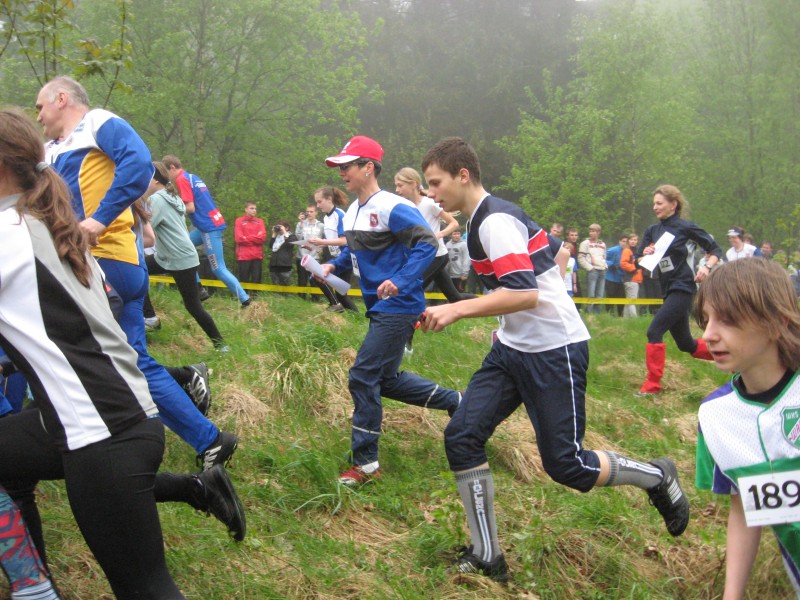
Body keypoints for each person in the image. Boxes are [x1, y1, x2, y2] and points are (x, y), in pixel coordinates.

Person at [0, 107, 245, 599]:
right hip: (111, 414)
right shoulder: (42, 219)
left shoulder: (8, 237)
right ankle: (36, 586)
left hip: (101, 433)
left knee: (145, 589)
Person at [420, 137, 689, 581]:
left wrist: (455, 309)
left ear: (462, 175)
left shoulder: (495, 221)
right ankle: (488, 556)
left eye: (436, 183)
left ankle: (657, 476)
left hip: (554, 350)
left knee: (568, 466)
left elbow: (524, 292)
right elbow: (536, 273)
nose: (432, 194)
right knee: (463, 436)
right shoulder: (477, 223)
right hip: (512, 350)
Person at [35, 77, 238, 479]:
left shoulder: (96, 122)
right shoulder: (50, 149)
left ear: (62, 99)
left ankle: (63, 448)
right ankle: (209, 438)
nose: (37, 114)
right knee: (134, 361)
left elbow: (138, 162)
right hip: (105, 262)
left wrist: (97, 220)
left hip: (103, 261)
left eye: (40, 105)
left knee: (58, 349)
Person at [320, 135, 461, 486]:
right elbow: (355, 251)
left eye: (347, 166)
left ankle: (366, 464)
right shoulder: (352, 210)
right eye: (339, 167)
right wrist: (333, 267)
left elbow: (427, 244)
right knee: (386, 380)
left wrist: (400, 279)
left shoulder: (392, 206)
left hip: (399, 305)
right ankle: (457, 401)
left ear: (368, 168)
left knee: (362, 375)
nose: (342, 173)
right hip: (378, 306)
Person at [694, 258, 800, 597]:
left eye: (727, 319)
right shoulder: (716, 417)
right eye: (706, 319)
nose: (708, 334)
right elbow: (744, 504)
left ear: (777, 321)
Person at [635, 184, 723, 394]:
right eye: (653, 204)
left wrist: (707, 267)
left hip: (683, 287)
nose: (655, 207)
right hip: (666, 288)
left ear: (673, 205)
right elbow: (639, 259)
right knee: (685, 343)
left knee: (654, 331)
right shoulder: (652, 231)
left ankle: (652, 386)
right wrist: (645, 253)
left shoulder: (684, 227)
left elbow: (715, 249)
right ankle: (732, 356)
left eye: (659, 203)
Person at [144, 163, 227, 350]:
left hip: (180, 259)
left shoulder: (156, 200)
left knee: (193, 306)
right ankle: (150, 318)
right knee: (137, 270)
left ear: (155, 179)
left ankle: (221, 345)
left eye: (146, 177)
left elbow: (147, 231)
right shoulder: (171, 196)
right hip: (168, 257)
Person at [161, 155, 252, 308]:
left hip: (209, 227)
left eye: (166, 173)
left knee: (218, 268)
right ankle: (198, 290)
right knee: (182, 248)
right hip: (207, 224)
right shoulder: (191, 177)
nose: (166, 177)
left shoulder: (181, 179)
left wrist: (171, 209)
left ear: (172, 168)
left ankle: (245, 300)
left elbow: (190, 207)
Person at [308, 186, 359, 312]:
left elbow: (344, 240)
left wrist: (322, 241)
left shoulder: (340, 215)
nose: (318, 205)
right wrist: (316, 245)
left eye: (320, 201)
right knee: (341, 293)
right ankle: (344, 309)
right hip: (335, 257)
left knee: (317, 277)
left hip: (345, 258)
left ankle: (336, 306)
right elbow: (333, 239)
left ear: (329, 199)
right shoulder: (326, 218)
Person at [234, 201, 266, 285]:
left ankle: (256, 297)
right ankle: (244, 297)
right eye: (251, 208)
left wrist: (247, 237)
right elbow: (239, 238)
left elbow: (262, 238)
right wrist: (255, 238)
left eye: (255, 208)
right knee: (243, 280)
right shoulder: (239, 221)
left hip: (257, 255)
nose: (254, 210)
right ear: (246, 210)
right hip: (244, 256)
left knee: (256, 280)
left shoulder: (260, 221)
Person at [578, 224, 607, 313]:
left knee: (600, 295)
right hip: (592, 271)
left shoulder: (602, 244)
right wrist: (590, 268)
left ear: (598, 232)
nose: (591, 233)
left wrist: (605, 266)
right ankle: (589, 313)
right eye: (590, 231)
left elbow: (604, 256)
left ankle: (597, 314)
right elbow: (580, 258)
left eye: (594, 231)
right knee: (591, 294)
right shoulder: (585, 243)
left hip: (602, 270)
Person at [620, 232, 642, 318]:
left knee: (629, 300)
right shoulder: (627, 250)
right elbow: (623, 264)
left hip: (636, 279)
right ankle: (634, 319)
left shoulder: (636, 251)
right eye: (632, 239)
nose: (633, 241)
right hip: (630, 278)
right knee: (632, 300)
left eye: (635, 240)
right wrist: (634, 268)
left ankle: (625, 319)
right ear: (628, 241)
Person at [268, 220, 297, 287]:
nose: (279, 229)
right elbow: (271, 246)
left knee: (284, 285)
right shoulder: (276, 236)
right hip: (274, 264)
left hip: (285, 265)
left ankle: (285, 296)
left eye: (281, 227)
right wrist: (274, 234)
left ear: (286, 228)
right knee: (275, 284)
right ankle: (276, 296)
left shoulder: (291, 236)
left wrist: (284, 232)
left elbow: (289, 244)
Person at [605, 233, 627, 317]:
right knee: (610, 296)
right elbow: (603, 258)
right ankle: (609, 314)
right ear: (619, 241)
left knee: (621, 297)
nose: (624, 243)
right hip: (611, 277)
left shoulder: (628, 251)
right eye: (623, 241)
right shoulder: (613, 250)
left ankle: (620, 315)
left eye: (626, 242)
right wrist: (611, 264)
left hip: (621, 278)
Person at [446, 229, 471, 293]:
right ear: (451, 235)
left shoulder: (464, 245)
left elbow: (466, 259)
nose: (457, 236)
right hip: (449, 274)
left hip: (460, 275)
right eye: (455, 234)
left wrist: (465, 273)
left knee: (459, 294)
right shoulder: (447, 244)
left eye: (458, 234)